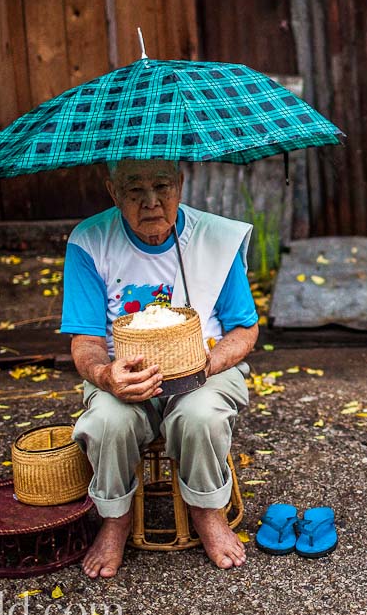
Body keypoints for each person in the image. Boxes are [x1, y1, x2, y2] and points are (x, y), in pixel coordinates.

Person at [61, 159, 259, 576]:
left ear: (181, 185)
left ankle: (207, 510)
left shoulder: (213, 239)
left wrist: (211, 362)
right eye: (134, 190)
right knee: (108, 422)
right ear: (113, 192)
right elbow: (86, 342)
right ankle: (115, 519)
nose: (151, 202)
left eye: (162, 186)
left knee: (199, 415)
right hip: (124, 371)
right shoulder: (90, 241)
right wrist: (105, 377)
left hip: (205, 368)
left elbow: (244, 329)